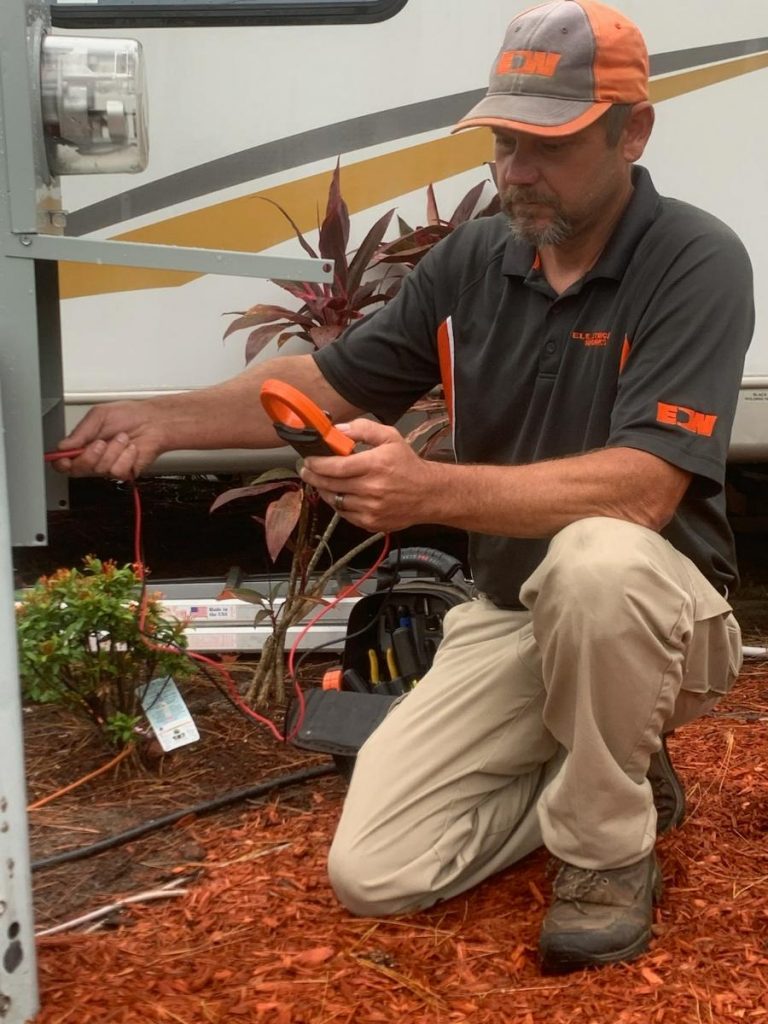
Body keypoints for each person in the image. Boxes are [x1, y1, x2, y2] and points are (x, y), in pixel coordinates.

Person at [57, 0, 753, 974]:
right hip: (513, 611)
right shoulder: (477, 258)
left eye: (545, 145)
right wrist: (162, 419)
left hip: (661, 611)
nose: (514, 170)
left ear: (631, 131)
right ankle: (613, 764)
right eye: (504, 141)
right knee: (376, 870)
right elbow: (329, 378)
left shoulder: (695, 260)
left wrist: (426, 490)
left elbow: (642, 491)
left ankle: (608, 848)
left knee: (599, 561)